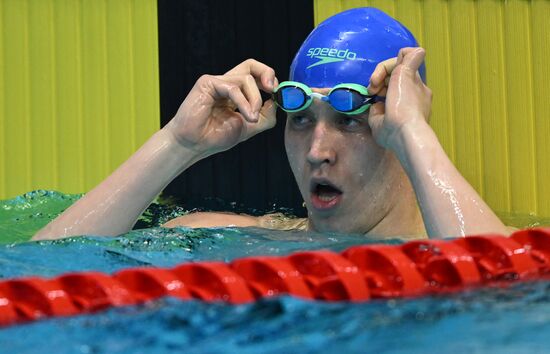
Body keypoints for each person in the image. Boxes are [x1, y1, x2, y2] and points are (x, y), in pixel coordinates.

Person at [33, 8, 509, 241]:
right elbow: (35, 279)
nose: (317, 150)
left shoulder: (478, 246)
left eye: (349, 122)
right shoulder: (240, 240)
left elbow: (510, 304)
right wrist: (178, 144)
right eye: (300, 120)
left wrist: (415, 134)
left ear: (397, 128)